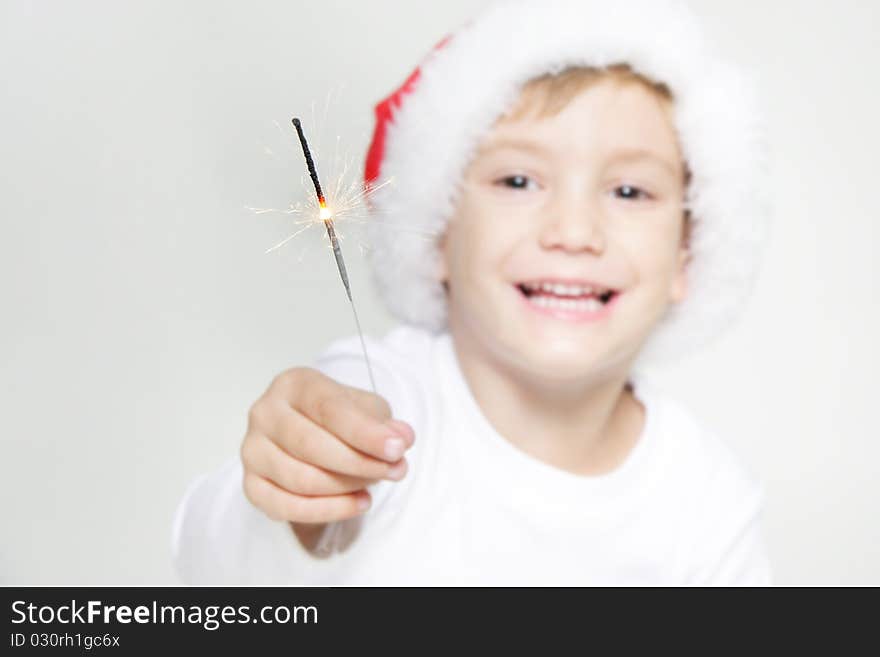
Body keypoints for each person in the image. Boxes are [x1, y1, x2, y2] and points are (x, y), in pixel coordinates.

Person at [172, 0, 773, 585]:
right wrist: (296, 499)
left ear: (686, 255)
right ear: (437, 233)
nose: (574, 232)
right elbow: (215, 568)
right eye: (517, 180)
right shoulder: (383, 402)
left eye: (630, 192)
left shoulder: (707, 501)